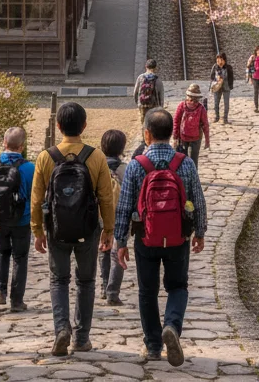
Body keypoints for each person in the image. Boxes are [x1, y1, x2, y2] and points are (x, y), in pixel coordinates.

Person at [115, 108, 207, 366]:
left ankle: (154, 346)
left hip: (146, 237)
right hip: (178, 236)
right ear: (172, 133)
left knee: (147, 291)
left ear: (147, 134)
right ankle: (172, 327)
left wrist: (121, 242)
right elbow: (198, 200)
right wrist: (199, 232)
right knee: (178, 286)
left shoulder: (136, 165)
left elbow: (124, 206)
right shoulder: (184, 163)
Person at [31, 102, 117, 357]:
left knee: (59, 280)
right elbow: (106, 198)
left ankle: (60, 330)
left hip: (56, 229)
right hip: (88, 229)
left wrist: (37, 231)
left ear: (58, 126)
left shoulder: (46, 157)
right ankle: (81, 338)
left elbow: (36, 199)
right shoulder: (96, 156)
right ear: (84, 126)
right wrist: (108, 230)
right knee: (86, 281)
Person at [0, 126, 34, 312]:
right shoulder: (29, 168)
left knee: (2, 253)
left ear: (4, 143)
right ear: (22, 146)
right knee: (20, 258)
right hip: (21, 219)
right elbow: (34, 195)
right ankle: (17, 300)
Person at [98, 129, 128, 305]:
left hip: (102, 214)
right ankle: (113, 292)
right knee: (118, 252)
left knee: (103, 249)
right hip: (121, 216)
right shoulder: (126, 169)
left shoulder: (97, 167)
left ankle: (103, 286)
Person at [172, 84, 210, 167]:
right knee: (194, 160)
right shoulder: (201, 108)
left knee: (181, 160)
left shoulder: (182, 106)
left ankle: (182, 178)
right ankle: (194, 177)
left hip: (183, 137)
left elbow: (176, 122)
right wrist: (207, 140)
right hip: (196, 137)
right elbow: (205, 125)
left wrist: (175, 137)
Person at [133, 58, 164, 125]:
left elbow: (135, 92)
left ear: (146, 66)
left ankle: (144, 134)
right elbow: (161, 96)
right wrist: (161, 108)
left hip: (142, 104)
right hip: (154, 106)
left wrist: (138, 103)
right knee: (153, 124)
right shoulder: (158, 80)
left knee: (144, 123)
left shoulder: (140, 77)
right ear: (155, 68)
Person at [209, 52, 234, 124]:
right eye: (217, 60)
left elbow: (231, 78)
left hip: (226, 87)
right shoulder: (215, 67)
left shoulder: (228, 67)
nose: (218, 62)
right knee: (216, 103)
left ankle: (225, 119)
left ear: (224, 60)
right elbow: (211, 77)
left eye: (220, 60)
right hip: (217, 87)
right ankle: (217, 117)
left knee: (226, 104)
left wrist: (230, 86)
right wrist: (216, 80)